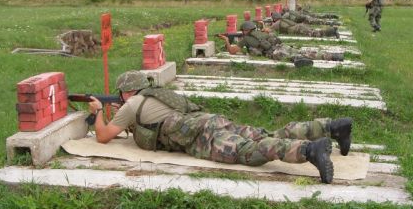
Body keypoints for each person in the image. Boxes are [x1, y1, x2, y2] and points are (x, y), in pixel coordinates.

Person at [87, 70, 354, 184]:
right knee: (266, 135)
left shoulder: (132, 104)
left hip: (202, 135)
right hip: (211, 121)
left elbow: (103, 137)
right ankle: (331, 127)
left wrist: (98, 111)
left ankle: (309, 150)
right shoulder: (157, 94)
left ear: (126, 91)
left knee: (249, 152)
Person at [219, 20, 344, 68]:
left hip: (274, 52)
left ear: (246, 30)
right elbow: (270, 33)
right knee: (305, 52)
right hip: (281, 46)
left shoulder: (245, 39)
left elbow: (232, 51)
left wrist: (226, 41)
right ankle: (334, 56)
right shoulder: (262, 32)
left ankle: (299, 61)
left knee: (293, 57)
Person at [267, 11, 340, 38]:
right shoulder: (284, 19)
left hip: (298, 29)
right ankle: (333, 31)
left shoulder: (276, 24)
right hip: (300, 26)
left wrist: (266, 26)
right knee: (316, 31)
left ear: (274, 19)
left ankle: (333, 30)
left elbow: (268, 31)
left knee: (316, 34)